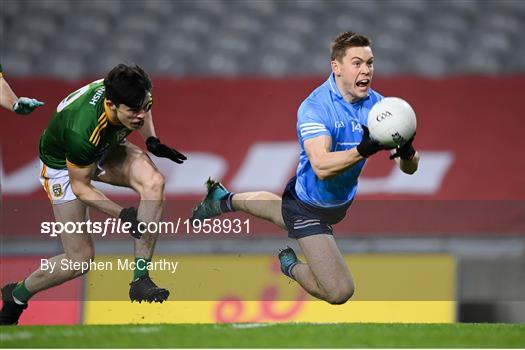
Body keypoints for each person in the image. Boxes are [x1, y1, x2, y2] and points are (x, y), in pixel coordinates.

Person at [190, 32, 419, 305]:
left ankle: (223, 200)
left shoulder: (381, 108)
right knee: (339, 291)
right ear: (336, 66)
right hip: (308, 208)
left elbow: (410, 169)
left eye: (370, 63)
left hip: (334, 203)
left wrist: (406, 150)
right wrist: (363, 149)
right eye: (357, 63)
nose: (366, 70)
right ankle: (290, 266)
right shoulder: (315, 108)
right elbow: (321, 166)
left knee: (279, 211)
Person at [0, 64, 186, 325]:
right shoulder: (82, 131)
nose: (141, 115)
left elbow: (143, 109)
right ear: (111, 104)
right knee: (80, 260)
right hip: (64, 165)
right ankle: (16, 295)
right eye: (134, 110)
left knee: (154, 182)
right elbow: (81, 186)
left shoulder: (134, 94)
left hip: (106, 146)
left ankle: (140, 279)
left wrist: (152, 140)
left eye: (144, 106)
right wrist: (122, 214)